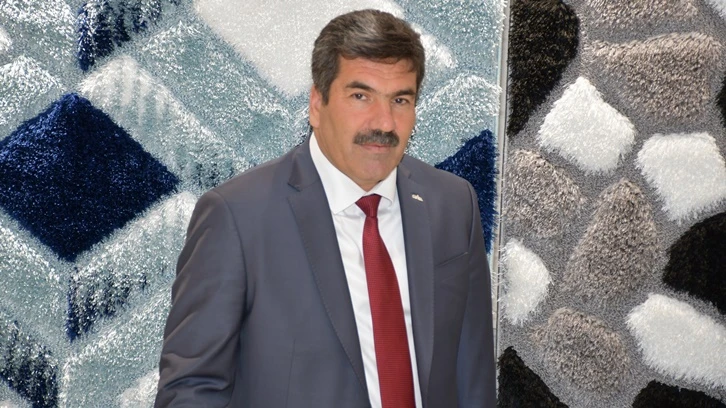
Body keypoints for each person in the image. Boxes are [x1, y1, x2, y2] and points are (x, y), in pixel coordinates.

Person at [154, 9, 495, 408]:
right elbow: (190, 390)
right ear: (317, 104)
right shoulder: (237, 217)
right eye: (360, 96)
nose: (384, 123)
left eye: (400, 100)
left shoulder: (452, 204)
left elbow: (473, 378)